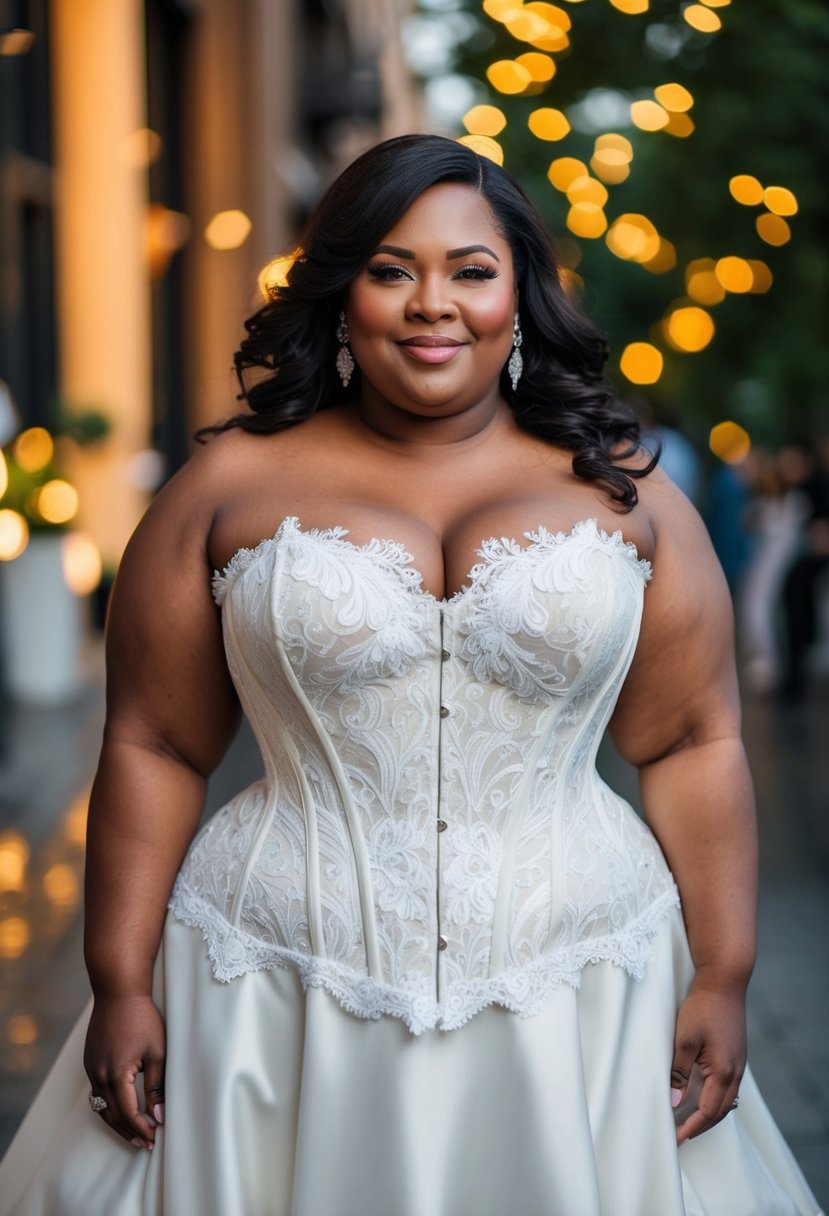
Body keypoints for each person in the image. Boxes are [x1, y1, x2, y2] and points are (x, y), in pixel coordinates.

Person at [0, 134, 822, 1216]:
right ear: (341, 295)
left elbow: (690, 740)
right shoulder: (225, 486)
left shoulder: (626, 493)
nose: (432, 303)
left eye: (471, 272)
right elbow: (155, 741)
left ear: (519, 296)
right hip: (268, 981)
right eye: (391, 270)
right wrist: (116, 980)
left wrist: (721, 971)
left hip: (580, 983)